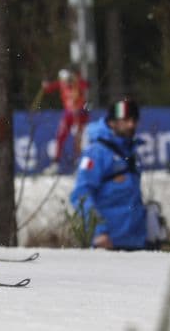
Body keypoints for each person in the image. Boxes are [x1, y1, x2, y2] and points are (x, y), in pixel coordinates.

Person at [69, 98, 147, 250]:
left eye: (134, 120)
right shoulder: (96, 153)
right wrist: (99, 232)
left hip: (136, 242)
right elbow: (81, 195)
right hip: (108, 243)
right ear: (112, 122)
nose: (131, 124)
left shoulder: (131, 152)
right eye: (125, 120)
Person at [42, 67, 90, 170]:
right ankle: (56, 162)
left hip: (79, 114)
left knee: (78, 138)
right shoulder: (62, 83)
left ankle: (79, 161)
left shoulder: (77, 82)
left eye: (68, 79)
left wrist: (76, 79)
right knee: (60, 136)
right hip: (68, 114)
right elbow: (49, 88)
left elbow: (86, 85)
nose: (66, 82)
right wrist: (45, 85)